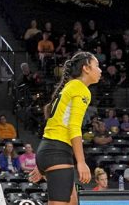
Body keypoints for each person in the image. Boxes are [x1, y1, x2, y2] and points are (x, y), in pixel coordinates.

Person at [30, 51, 102, 205]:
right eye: (97, 65)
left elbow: (55, 124)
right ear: (86, 68)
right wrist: (81, 162)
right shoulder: (81, 89)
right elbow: (73, 127)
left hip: (50, 151)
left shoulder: (70, 86)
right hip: (57, 152)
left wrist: (43, 162)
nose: (100, 70)